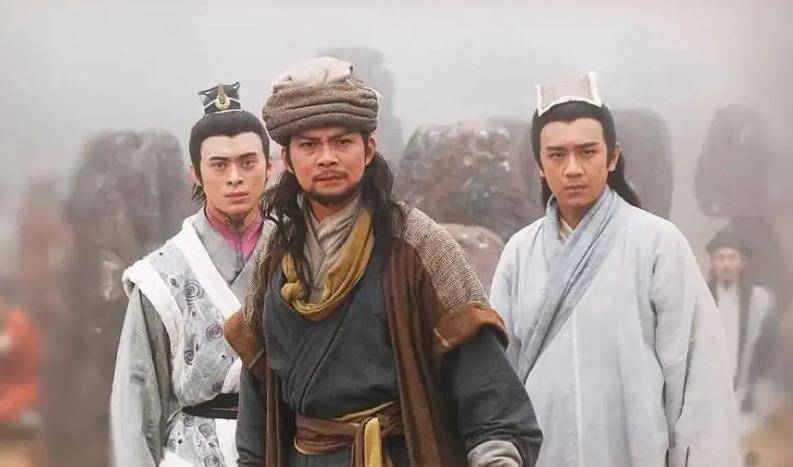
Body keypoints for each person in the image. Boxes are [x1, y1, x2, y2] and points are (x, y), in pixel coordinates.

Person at [224, 56, 542, 467]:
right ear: (286, 159)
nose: (326, 158)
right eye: (309, 145)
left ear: (369, 149)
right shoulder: (275, 254)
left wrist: (497, 456)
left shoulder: (420, 244)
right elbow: (257, 388)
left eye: (342, 142)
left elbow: (484, 382)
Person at [490, 72, 740, 466]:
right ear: (539, 164)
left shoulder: (658, 244)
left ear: (613, 157)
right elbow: (500, 380)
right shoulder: (519, 255)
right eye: (557, 155)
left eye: (587, 152)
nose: (573, 168)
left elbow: (697, 379)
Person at [110, 82, 270, 466]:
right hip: (193, 454)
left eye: (248, 162)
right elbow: (135, 395)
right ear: (195, 173)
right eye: (219, 165)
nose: (235, 177)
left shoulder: (296, 253)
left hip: (281, 443)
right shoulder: (160, 275)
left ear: (272, 166)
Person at [706, 228, 776, 416]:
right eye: (720, 258)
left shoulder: (759, 301)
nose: (726, 264)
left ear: (742, 263)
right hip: (707, 390)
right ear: (712, 262)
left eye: (732, 258)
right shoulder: (699, 297)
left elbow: (769, 349)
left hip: (744, 391)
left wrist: (755, 386)